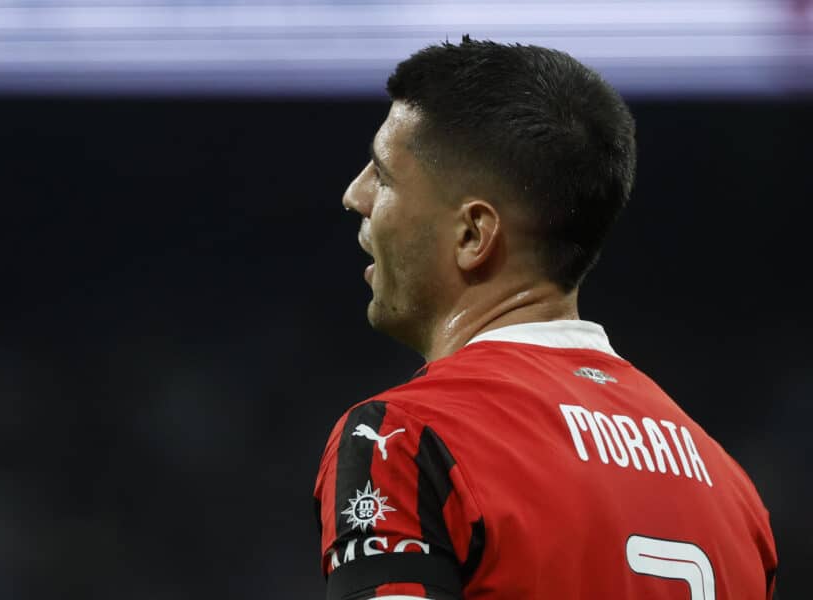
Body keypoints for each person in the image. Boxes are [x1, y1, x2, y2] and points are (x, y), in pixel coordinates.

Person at [313, 37, 777, 600]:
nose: (353, 195)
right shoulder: (731, 490)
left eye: (383, 177)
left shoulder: (404, 439)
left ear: (472, 235)